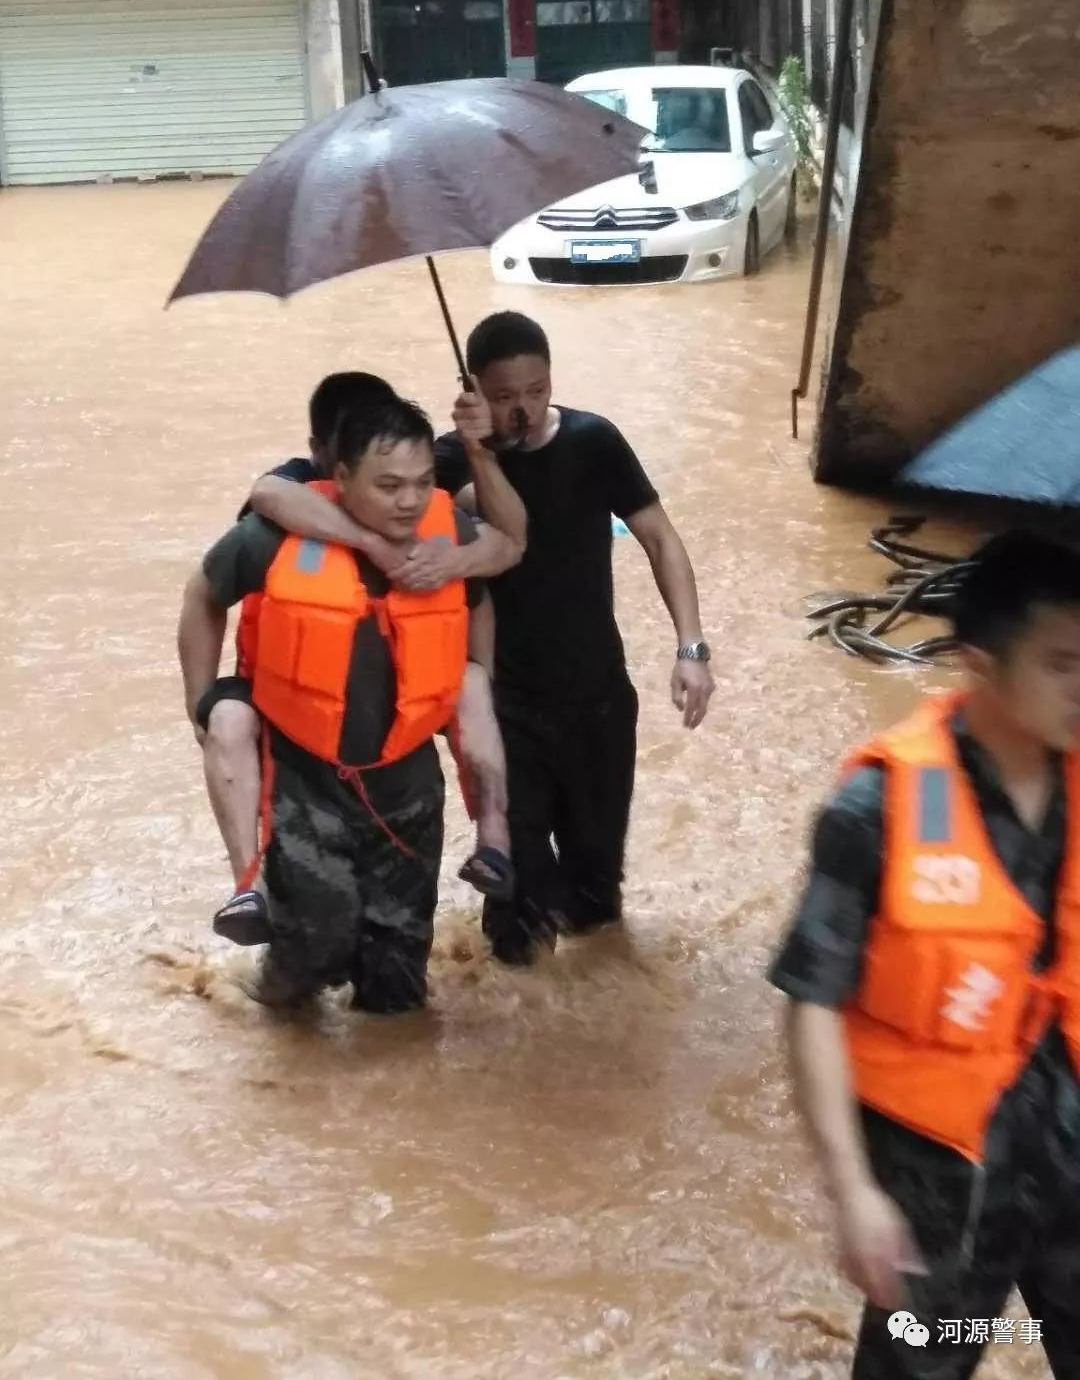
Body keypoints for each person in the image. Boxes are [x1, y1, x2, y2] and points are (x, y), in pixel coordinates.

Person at [768, 531, 1080, 1378]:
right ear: (980, 661)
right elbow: (813, 1002)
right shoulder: (882, 808)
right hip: (941, 1183)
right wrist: (853, 1193)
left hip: (1069, 1156)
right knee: (923, 1354)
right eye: (1061, 664)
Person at [178, 393, 492, 1012]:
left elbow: (483, 594)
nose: (407, 500)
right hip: (305, 781)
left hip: (407, 789)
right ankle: (264, 1001)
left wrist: (473, 687)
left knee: (398, 985)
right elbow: (202, 596)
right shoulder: (270, 537)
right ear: (340, 478)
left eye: (421, 483)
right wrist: (204, 703)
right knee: (314, 947)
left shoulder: (446, 535)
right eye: (388, 484)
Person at [434, 311, 716, 966]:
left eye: (536, 391)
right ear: (474, 390)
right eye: (504, 398)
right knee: (515, 910)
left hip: (596, 700)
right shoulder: (448, 462)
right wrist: (478, 449)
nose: (522, 411)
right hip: (505, 710)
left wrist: (691, 648)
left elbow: (660, 538)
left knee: (596, 903)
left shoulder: (594, 442)